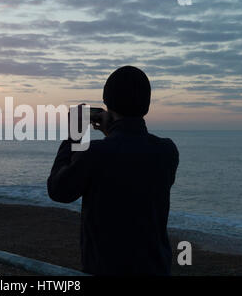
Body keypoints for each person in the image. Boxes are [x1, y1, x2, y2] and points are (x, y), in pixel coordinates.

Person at [47, 66, 179, 275]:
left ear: (108, 105)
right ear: (147, 104)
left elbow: (58, 190)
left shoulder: (95, 153)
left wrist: (74, 134)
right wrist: (114, 131)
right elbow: (128, 155)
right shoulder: (167, 151)